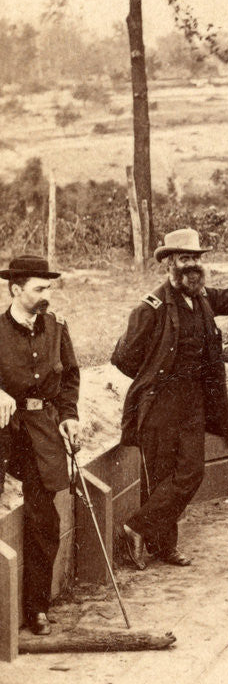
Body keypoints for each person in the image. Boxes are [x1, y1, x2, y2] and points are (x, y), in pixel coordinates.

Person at [112, 229, 228, 570]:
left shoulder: (204, 297)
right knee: (161, 477)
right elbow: (122, 357)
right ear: (169, 264)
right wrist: (154, 375)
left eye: (196, 259)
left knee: (190, 474)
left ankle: (134, 527)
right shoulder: (151, 307)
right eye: (184, 259)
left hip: (193, 403)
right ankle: (162, 547)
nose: (192, 266)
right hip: (160, 405)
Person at [0, 256, 79, 636]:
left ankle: (36, 608)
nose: (47, 294)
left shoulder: (57, 327)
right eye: (39, 288)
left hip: (42, 431)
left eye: (49, 287)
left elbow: (70, 378)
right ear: (15, 289)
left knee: (45, 520)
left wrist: (69, 415)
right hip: (5, 432)